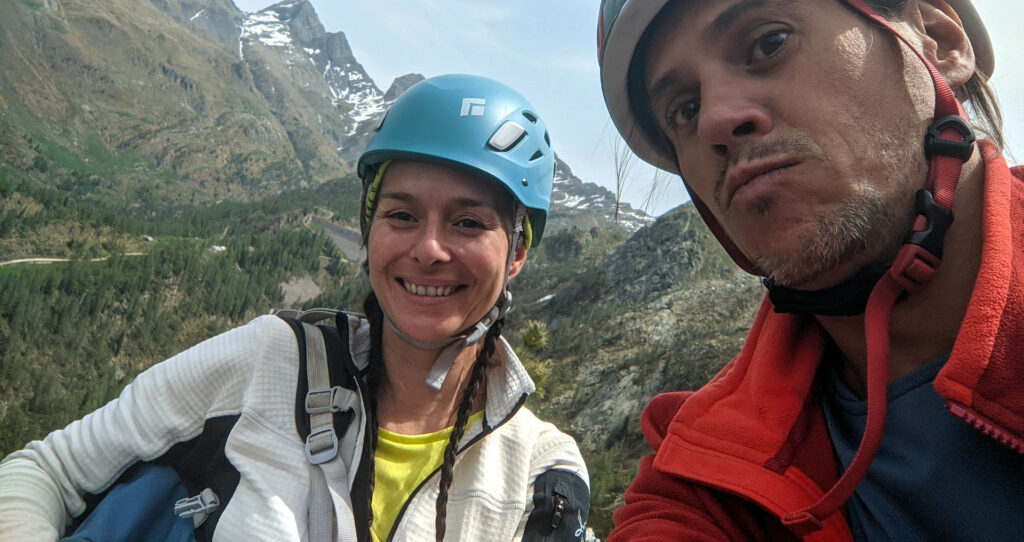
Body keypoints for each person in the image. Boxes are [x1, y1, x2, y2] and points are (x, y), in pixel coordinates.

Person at [596, 0, 1023, 539]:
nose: (716, 121)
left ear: (939, 40)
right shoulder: (696, 477)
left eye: (768, 43)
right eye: (683, 107)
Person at [0, 74, 590, 542]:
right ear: (369, 230)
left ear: (516, 254)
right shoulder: (268, 361)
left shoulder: (539, 472)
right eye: (401, 215)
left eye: (468, 222)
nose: (428, 249)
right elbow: (46, 470)